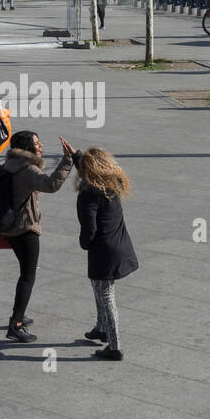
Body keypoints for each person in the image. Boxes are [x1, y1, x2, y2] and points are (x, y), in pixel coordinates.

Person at [0, 131, 77, 343]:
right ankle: (16, 325)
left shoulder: (11, 163)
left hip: (9, 227)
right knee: (28, 275)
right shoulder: (28, 169)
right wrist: (68, 160)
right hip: (25, 228)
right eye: (36, 143)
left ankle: (19, 315)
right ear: (27, 147)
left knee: (25, 272)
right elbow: (51, 185)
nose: (41, 145)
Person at [75, 147, 138, 361]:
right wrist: (77, 156)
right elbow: (92, 172)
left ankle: (115, 346)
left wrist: (84, 243)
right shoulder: (112, 184)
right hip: (119, 245)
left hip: (103, 251)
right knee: (99, 288)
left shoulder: (88, 194)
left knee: (106, 295)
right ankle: (101, 328)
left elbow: (89, 228)